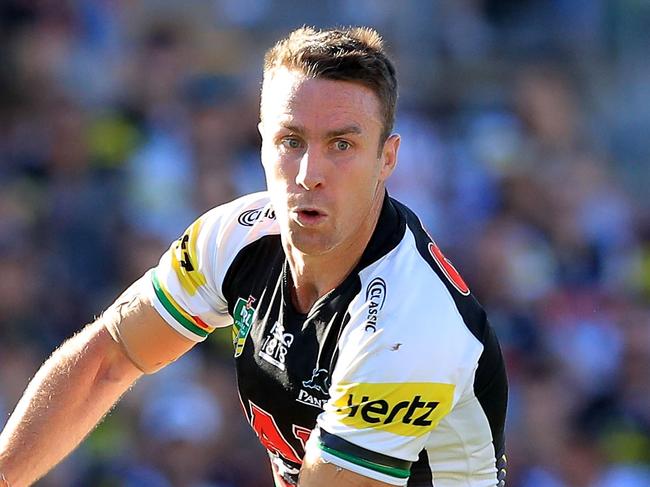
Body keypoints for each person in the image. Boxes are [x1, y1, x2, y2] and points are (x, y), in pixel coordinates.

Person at [0, 26, 507, 487]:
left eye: (342, 145)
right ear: (260, 144)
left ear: (387, 159)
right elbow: (105, 361)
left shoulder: (409, 324)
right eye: (291, 140)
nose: (310, 173)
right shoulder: (234, 237)